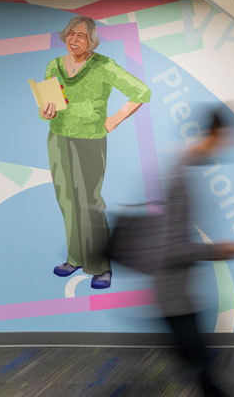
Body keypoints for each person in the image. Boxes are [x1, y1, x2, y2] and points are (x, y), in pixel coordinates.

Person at [109, 106, 234, 397]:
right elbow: (172, 248)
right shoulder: (180, 176)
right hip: (173, 297)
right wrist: (224, 249)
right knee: (201, 373)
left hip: (178, 294)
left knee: (200, 371)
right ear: (216, 135)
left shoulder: (182, 169)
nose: (230, 146)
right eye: (228, 139)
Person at [41, 15, 151, 289]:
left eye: (81, 35)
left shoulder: (103, 66)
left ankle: (101, 266)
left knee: (90, 203)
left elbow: (141, 91)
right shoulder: (54, 65)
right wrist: (45, 112)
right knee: (67, 200)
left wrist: (114, 119)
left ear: (91, 40)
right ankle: (75, 257)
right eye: (71, 34)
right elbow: (48, 107)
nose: (74, 40)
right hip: (58, 138)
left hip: (90, 140)